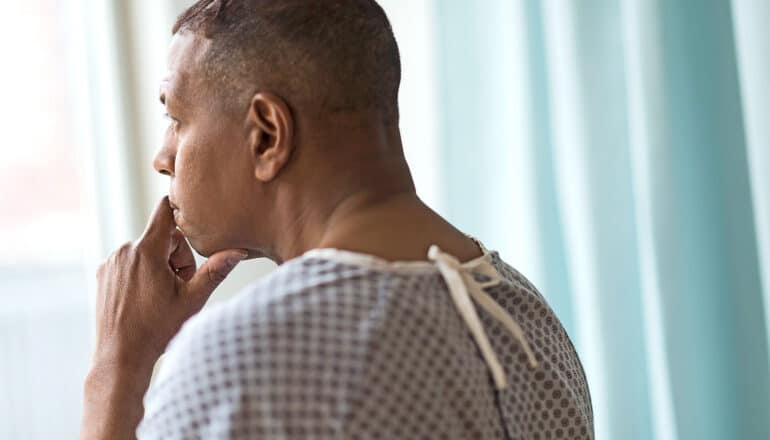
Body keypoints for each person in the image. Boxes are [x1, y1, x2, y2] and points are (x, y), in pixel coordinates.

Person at [80, 0, 594, 438]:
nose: (162, 157)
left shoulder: (244, 362)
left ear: (266, 135)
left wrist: (116, 371)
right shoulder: (529, 322)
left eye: (176, 118)